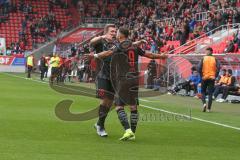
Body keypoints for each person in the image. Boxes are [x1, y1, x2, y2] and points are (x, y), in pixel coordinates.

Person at [91, 27, 167, 141]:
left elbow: (109, 52)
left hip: (121, 78)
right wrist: (161, 56)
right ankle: (124, 130)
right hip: (124, 77)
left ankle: (128, 130)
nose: (114, 33)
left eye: (115, 32)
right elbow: (147, 53)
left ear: (120, 35)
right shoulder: (128, 45)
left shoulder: (118, 45)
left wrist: (94, 56)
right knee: (129, 105)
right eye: (112, 31)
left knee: (117, 105)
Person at [198, 47, 220, 112]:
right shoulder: (215, 59)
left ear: (210, 52)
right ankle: (209, 109)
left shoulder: (203, 58)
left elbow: (199, 68)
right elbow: (219, 68)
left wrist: (201, 76)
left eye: (206, 51)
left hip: (204, 77)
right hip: (212, 78)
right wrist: (215, 76)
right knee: (210, 93)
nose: (206, 52)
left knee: (203, 92)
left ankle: (204, 104)